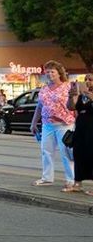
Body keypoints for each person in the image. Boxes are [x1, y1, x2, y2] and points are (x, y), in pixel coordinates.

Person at [30, 61, 78, 190]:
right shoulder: (44, 89)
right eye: (47, 72)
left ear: (59, 73)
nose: (50, 74)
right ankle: (47, 178)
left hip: (64, 124)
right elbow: (39, 106)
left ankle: (71, 180)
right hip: (47, 124)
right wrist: (34, 122)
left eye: (52, 72)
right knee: (46, 151)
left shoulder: (67, 87)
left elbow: (75, 107)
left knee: (66, 152)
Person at [70, 79, 91, 195]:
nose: (88, 81)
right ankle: (77, 183)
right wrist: (71, 96)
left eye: (91, 79)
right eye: (86, 79)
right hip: (81, 127)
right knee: (78, 153)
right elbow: (71, 107)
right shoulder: (81, 95)